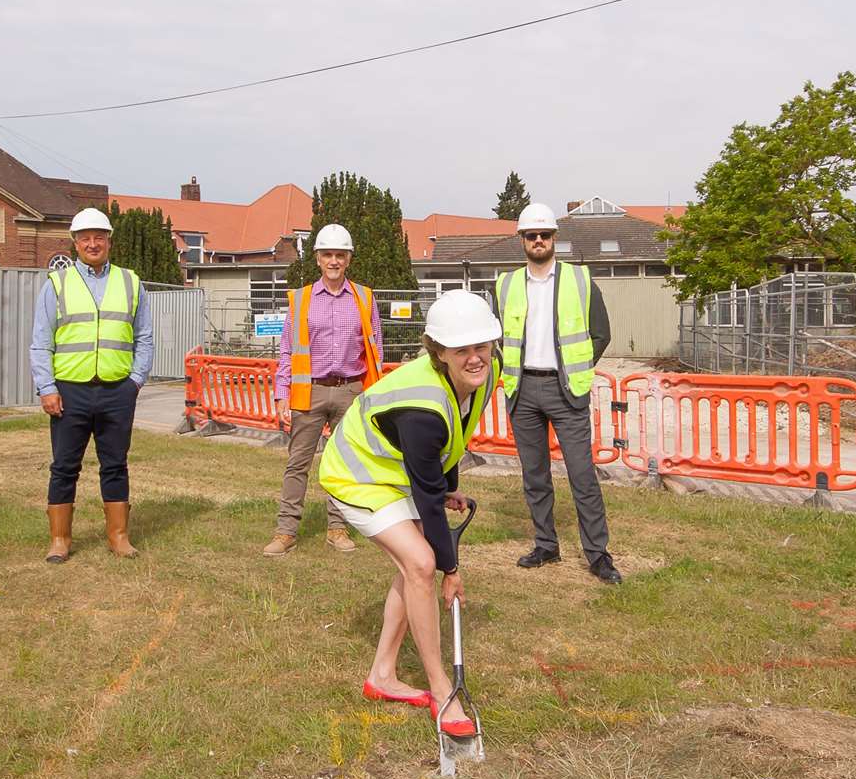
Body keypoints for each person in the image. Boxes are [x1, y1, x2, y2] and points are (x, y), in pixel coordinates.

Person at [318, 291, 501, 735]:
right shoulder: (420, 410)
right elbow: (426, 489)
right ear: (439, 352)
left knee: (414, 564)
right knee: (422, 562)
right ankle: (442, 690)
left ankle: (382, 675)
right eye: (462, 350)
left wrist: (449, 484)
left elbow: (456, 431)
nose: (475, 358)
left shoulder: (486, 375)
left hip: (394, 472)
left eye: (482, 345)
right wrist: (451, 569)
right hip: (355, 475)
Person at [493, 202, 621, 585]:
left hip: (566, 391)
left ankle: (598, 555)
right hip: (522, 390)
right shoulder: (505, 285)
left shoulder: (580, 281)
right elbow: (497, 338)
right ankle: (545, 544)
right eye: (531, 235)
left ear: (554, 238)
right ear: (522, 240)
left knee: (583, 476)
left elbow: (601, 333)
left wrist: (576, 369)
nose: (537, 241)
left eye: (544, 235)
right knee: (535, 476)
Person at [30, 207, 155, 563]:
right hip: (70, 390)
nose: (92, 243)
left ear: (109, 241)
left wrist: (134, 381)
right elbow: (41, 341)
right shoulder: (57, 283)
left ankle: (118, 536)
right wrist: (47, 387)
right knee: (64, 465)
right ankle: (59, 539)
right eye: (85, 237)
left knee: (115, 464)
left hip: (118, 389)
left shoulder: (131, 282)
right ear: (74, 243)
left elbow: (144, 337)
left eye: (99, 236)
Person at [263, 223, 384, 557]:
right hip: (310, 391)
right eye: (328, 255)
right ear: (317, 259)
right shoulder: (301, 300)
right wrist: (282, 393)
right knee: (297, 463)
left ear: (348, 259)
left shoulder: (364, 297)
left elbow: (376, 349)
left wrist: (371, 395)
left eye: (340, 255)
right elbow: (287, 351)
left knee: (344, 464)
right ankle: (286, 531)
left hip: (351, 391)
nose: (334, 261)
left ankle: (337, 528)